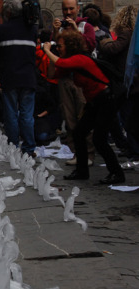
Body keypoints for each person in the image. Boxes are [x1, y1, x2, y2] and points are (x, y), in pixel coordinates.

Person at [44, 29, 125, 184]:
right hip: (95, 101)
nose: (58, 49)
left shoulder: (80, 59)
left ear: (70, 46)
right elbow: (52, 74)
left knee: (99, 139)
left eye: (60, 46)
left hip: (106, 99)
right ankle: (82, 171)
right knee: (79, 133)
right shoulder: (70, 61)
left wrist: (47, 51)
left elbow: (61, 63)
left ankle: (117, 174)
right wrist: (53, 56)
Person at [53, 0, 96, 167]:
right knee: (69, 118)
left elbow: (90, 45)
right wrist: (56, 31)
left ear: (78, 8)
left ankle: (89, 154)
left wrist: (76, 30)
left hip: (82, 79)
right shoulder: (61, 27)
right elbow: (56, 49)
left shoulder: (86, 27)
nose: (68, 12)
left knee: (83, 116)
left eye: (71, 9)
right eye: (65, 9)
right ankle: (77, 153)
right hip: (65, 76)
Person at [0, 0, 37, 156]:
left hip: (10, 76)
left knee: (11, 112)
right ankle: (29, 147)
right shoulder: (32, 29)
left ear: (8, 13)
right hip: (28, 77)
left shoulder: (1, 30)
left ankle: (13, 146)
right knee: (27, 114)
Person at [100, 5, 139, 164]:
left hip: (127, 81)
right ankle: (131, 148)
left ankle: (134, 150)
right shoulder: (133, 34)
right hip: (129, 80)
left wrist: (104, 42)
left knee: (128, 117)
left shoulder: (126, 33)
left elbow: (115, 48)